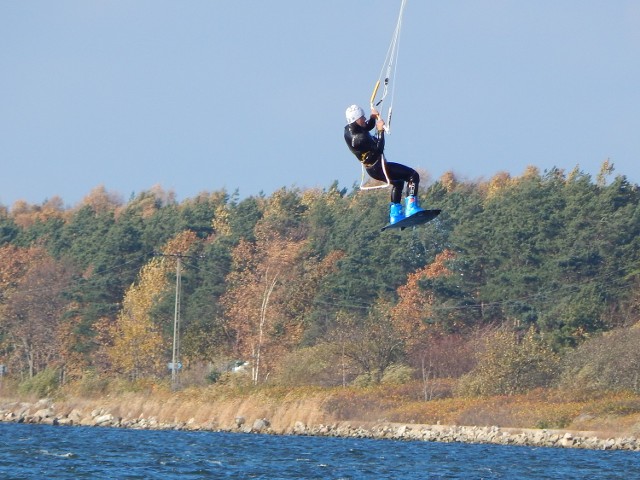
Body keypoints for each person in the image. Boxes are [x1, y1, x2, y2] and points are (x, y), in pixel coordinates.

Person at [344, 104, 424, 225]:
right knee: (413, 176)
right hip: (379, 168)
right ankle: (411, 208)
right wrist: (381, 130)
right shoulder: (360, 138)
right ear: (357, 120)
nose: (364, 119)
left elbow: (366, 127)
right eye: (363, 117)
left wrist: (372, 117)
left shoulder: (349, 130)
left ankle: (395, 215)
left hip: (372, 169)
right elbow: (379, 148)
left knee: (398, 183)